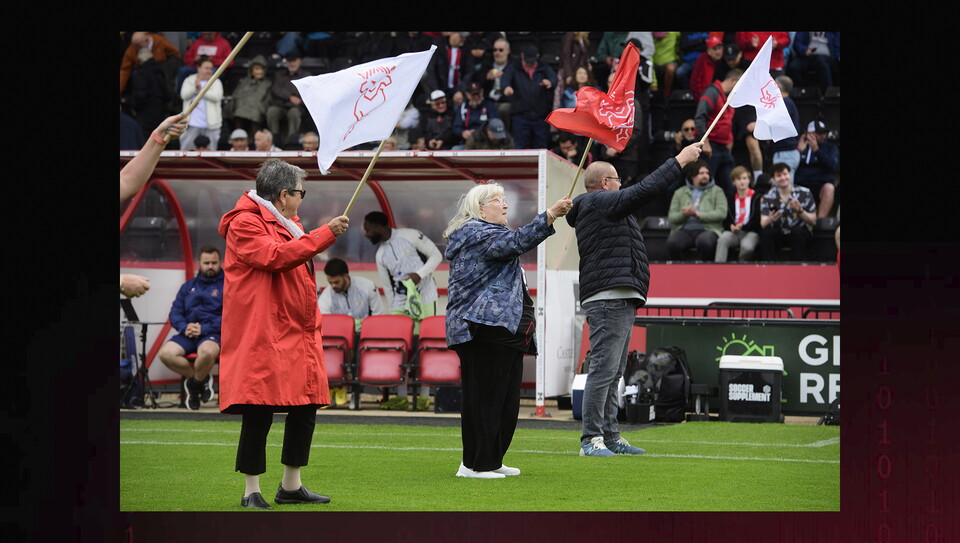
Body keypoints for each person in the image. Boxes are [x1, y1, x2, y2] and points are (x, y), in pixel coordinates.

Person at [217, 158, 350, 509]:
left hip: (295, 329)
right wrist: (325, 234)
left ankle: (291, 486)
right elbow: (274, 257)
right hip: (264, 330)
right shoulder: (245, 223)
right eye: (301, 192)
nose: (302, 199)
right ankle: (251, 491)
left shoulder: (287, 222)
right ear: (283, 194)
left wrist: (316, 235)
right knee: (258, 408)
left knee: (306, 404)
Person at [565, 142, 703, 457]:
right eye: (616, 180)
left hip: (618, 295)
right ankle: (591, 439)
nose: (621, 185)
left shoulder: (600, 204)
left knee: (613, 371)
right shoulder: (600, 201)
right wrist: (679, 160)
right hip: (609, 295)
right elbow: (643, 191)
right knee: (603, 369)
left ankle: (611, 436)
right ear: (604, 184)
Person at [444, 182, 573, 478]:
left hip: (503, 329)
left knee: (503, 399)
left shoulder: (486, 234)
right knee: (486, 397)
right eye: (497, 200)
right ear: (480, 209)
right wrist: (550, 214)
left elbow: (512, 244)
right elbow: (516, 242)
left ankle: (489, 458)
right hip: (483, 328)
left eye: (504, 199)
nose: (505, 205)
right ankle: (478, 464)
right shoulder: (476, 233)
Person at [157, 246, 224, 409]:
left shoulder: (228, 285)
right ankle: (199, 380)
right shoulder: (187, 287)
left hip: (212, 334)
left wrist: (204, 329)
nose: (210, 266)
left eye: (214, 263)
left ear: (220, 263)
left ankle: (193, 388)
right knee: (165, 354)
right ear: (199, 263)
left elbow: (231, 317)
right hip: (187, 334)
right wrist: (184, 326)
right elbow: (175, 312)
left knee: (207, 353)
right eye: (206, 262)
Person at [362, 211, 442, 322]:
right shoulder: (380, 255)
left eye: (368, 230)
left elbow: (436, 256)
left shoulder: (411, 235)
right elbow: (388, 287)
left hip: (425, 294)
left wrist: (419, 275)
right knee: (401, 337)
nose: (366, 235)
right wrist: (392, 308)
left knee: (425, 335)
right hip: (400, 302)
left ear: (378, 228)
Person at [666, 159, 727, 261]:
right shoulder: (679, 192)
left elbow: (721, 213)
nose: (705, 176)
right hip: (685, 230)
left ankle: (706, 271)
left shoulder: (717, 191)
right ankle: (680, 271)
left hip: (709, 230)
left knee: (705, 241)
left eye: (707, 173)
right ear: (693, 176)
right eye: (701, 173)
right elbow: (672, 216)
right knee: (672, 242)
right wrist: (685, 214)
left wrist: (699, 215)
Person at [695, 68, 742, 198]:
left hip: (724, 148)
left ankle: (728, 216)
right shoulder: (712, 92)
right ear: (733, 81)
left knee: (730, 184)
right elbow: (700, 117)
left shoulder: (727, 98)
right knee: (707, 183)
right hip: (711, 148)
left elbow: (726, 123)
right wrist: (704, 142)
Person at [501, 44, 556, 149]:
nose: (530, 63)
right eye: (528, 61)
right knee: (520, 147)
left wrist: (550, 82)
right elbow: (505, 79)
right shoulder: (514, 67)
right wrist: (506, 87)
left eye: (532, 61)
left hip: (540, 116)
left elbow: (553, 78)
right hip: (520, 115)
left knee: (541, 148)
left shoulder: (543, 68)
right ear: (522, 56)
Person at [759, 162, 817, 261]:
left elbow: (813, 221)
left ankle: (796, 267)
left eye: (785, 174)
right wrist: (770, 219)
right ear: (773, 179)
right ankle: (768, 267)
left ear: (790, 175)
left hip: (798, 233)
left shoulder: (804, 193)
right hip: (779, 231)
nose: (783, 178)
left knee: (798, 232)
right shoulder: (767, 197)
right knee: (766, 233)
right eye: (779, 176)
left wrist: (800, 211)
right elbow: (763, 223)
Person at [317, 258, 383, 325]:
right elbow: (325, 324)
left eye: (336, 282)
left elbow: (378, 317)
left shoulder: (368, 287)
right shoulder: (325, 297)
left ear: (346, 276)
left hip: (368, 331)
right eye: (330, 283)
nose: (333, 286)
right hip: (339, 333)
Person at [716, 166, 762, 262]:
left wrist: (743, 226)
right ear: (733, 182)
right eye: (739, 179)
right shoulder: (730, 197)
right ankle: (718, 269)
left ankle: (740, 268)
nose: (742, 182)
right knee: (722, 239)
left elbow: (757, 219)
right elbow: (727, 217)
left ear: (749, 180)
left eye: (744, 178)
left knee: (747, 246)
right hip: (734, 231)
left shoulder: (757, 197)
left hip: (751, 231)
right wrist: (730, 226)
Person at [794, 120, 839, 218]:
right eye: (819, 133)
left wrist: (817, 150)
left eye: (824, 133)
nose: (823, 136)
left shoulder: (830, 148)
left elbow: (832, 166)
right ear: (809, 134)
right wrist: (798, 151)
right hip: (801, 185)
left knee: (829, 188)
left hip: (820, 185)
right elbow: (788, 168)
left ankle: (819, 222)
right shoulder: (800, 146)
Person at [266, 51, 311, 148]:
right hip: (281, 105)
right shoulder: (279, 74)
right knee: (272, 111)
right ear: (286, 62)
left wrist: (299, 100)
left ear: (299, 61)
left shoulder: (306, 75)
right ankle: (275, 140)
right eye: (289, 61)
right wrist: (290, 97)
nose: (291, 63)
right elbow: (276, 89)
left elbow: (309, 93)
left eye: (294, 60)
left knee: (293, 113)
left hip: (298, 107)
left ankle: (292, 141)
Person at [179, 57, 224, 151]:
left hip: (211, 124)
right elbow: (184, 95)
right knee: (186, 151)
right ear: (199, 68)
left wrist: (200, 89)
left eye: (211, 68)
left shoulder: (216, 81)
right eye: (206, 68)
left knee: (212, 153)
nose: (209, 71)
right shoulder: (189, 80)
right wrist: (195, 88)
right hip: (191, 123)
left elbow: (217, 97)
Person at [230, 55, 271, 139]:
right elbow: (237, 95)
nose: (260, 71)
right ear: (252, 71)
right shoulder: (244, 82)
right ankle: (238, 139)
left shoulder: (267, 83)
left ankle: (256, 141)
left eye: (261, 69)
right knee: (238, 113)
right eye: (257, 69)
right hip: (242, 106)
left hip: (258, 108)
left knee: (255, 114)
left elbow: (268, 99)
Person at [768, 75, 802, 174]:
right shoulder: (787, 103)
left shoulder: (785, 103)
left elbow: (775, 122)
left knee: (785, 187)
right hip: (785, 151)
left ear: (777, 86)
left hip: (786, 152)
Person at [451, 81, 499, 149]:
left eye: (478, 93)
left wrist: (480, 132)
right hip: (468, 142)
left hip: (486, 142)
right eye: (473, 94)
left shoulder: (490, 106)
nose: (476, 96)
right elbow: (456, 127)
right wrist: (463, 132)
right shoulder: (462, 107)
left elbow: (495, 124)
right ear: (467, 95)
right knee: (455, 149)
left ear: (482, 92)